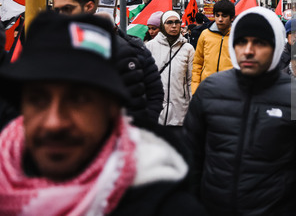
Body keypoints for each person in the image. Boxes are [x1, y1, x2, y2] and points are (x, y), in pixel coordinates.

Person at [0, 12, 204, 215]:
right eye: (38, 99)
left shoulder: (167, 207)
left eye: (79, 100)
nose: (54, 122)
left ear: (112, 108)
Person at [183, 7, 296, 215]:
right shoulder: (210, 91)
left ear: (276, 46)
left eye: (259, 43)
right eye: (242, 42)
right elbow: (190, 160)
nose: (248, 50)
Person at [52, 0, 163, 123]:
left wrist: (139, 128)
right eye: (57, 10)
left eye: (67, 9)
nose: (61, 16)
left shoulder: (126, 50)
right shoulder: (51, 48)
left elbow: (153, 94)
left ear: (88, 7)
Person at [146, 11, 195, 127]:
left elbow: (191, 80)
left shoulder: (188, 49)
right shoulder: (150, 46)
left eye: (177, 22)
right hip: (156, 112)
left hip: (180, 112)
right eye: (169, 22)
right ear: (163, 25)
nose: (174, 26)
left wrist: (193, 107)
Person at [191, 0, 234, 93]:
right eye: (217, 15)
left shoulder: (238, 37)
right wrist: (195, 90)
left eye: (224, 16)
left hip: (230, 93)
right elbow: (197, 63)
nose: (220, 19)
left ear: (232, 18)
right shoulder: (205, 34)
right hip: (206, 91)